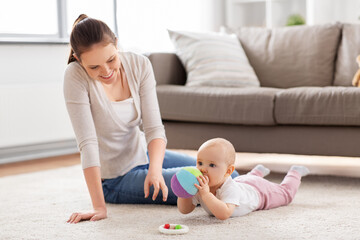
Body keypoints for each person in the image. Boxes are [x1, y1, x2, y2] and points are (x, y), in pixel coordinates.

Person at [64, 14, 236, 224]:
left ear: (116, 44)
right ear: (79, 60)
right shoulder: (74, 77)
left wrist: (154, 171)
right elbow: (87, 143)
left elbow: (154, 128)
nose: (107, 71)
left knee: (223, 175)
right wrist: (99, 207)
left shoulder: (139, 65)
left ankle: (264, 191)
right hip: (114, 178)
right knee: (203, 184)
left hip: (142, 155)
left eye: (111, 59)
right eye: (94, 67)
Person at [177, 138, 310, 220]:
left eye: (212, 165)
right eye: (200, 163)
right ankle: (258, 171)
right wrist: (183, 192)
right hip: (242, 182)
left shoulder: (228, 188)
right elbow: (185, 210)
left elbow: (224, 214)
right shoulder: (200, 186)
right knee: (246, 179)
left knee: (285, 194)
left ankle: (295, 172)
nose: (203, 169)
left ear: (228, 171)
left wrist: (206, 195)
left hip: (258, 191)